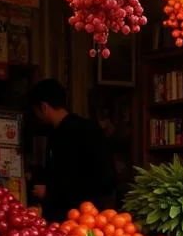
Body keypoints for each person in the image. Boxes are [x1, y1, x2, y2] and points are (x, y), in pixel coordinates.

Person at [29, 78, 117, 223]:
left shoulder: (81, 132)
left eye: (36, 111)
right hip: (77, 219)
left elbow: (102, 179)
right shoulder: (63, 132)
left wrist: (50, 192)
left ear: (44, 107)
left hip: (85, 220)